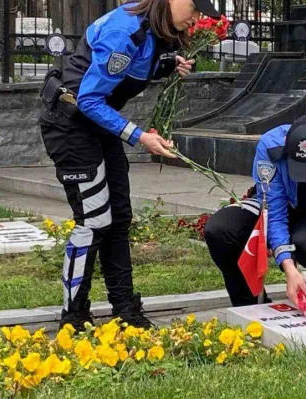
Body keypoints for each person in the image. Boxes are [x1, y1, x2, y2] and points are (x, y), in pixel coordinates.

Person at [37, 0, 221, 330]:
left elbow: (135, 68)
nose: (197, 18)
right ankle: (74, 315)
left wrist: (170, 64)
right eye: (194, 8)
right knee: (94, 219)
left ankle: (125, 308)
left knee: (119, 217)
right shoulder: (124, 32)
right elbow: (89, 99)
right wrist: (139, 137)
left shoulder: (158, 28)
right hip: (71, 125)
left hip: (100, 124)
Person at [204, 115, 306, 332]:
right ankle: (250, 304)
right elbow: (274, 211)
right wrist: (289, 268)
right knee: (220, 230)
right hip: (284, 204)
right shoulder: (270, 147)